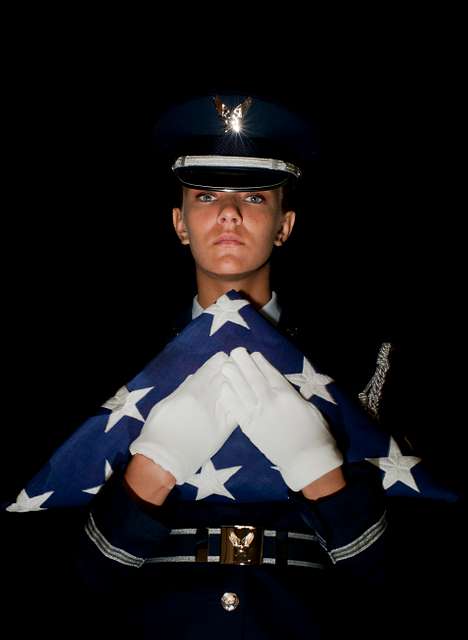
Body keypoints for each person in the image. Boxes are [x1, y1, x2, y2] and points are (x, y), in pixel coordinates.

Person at [70, 94, 390, 639]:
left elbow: (400, 581)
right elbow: (68, 583)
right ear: (180, 223)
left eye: (255, 198)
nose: (229, 214)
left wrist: (319, 471)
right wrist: (155, 467)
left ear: (285, 225)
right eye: (205, 194)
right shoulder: (114, 361)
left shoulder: (359, 357)